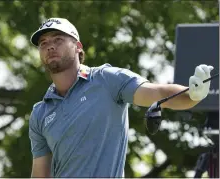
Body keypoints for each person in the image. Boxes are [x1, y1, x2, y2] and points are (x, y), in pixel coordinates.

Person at [28, 17, 214, 177]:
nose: (50, 46)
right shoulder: (40, 112)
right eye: (43, 43)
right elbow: (40, 174)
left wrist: (193, 95)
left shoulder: (107, 80)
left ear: (77, 47)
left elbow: (157, 93)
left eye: (58, 39)